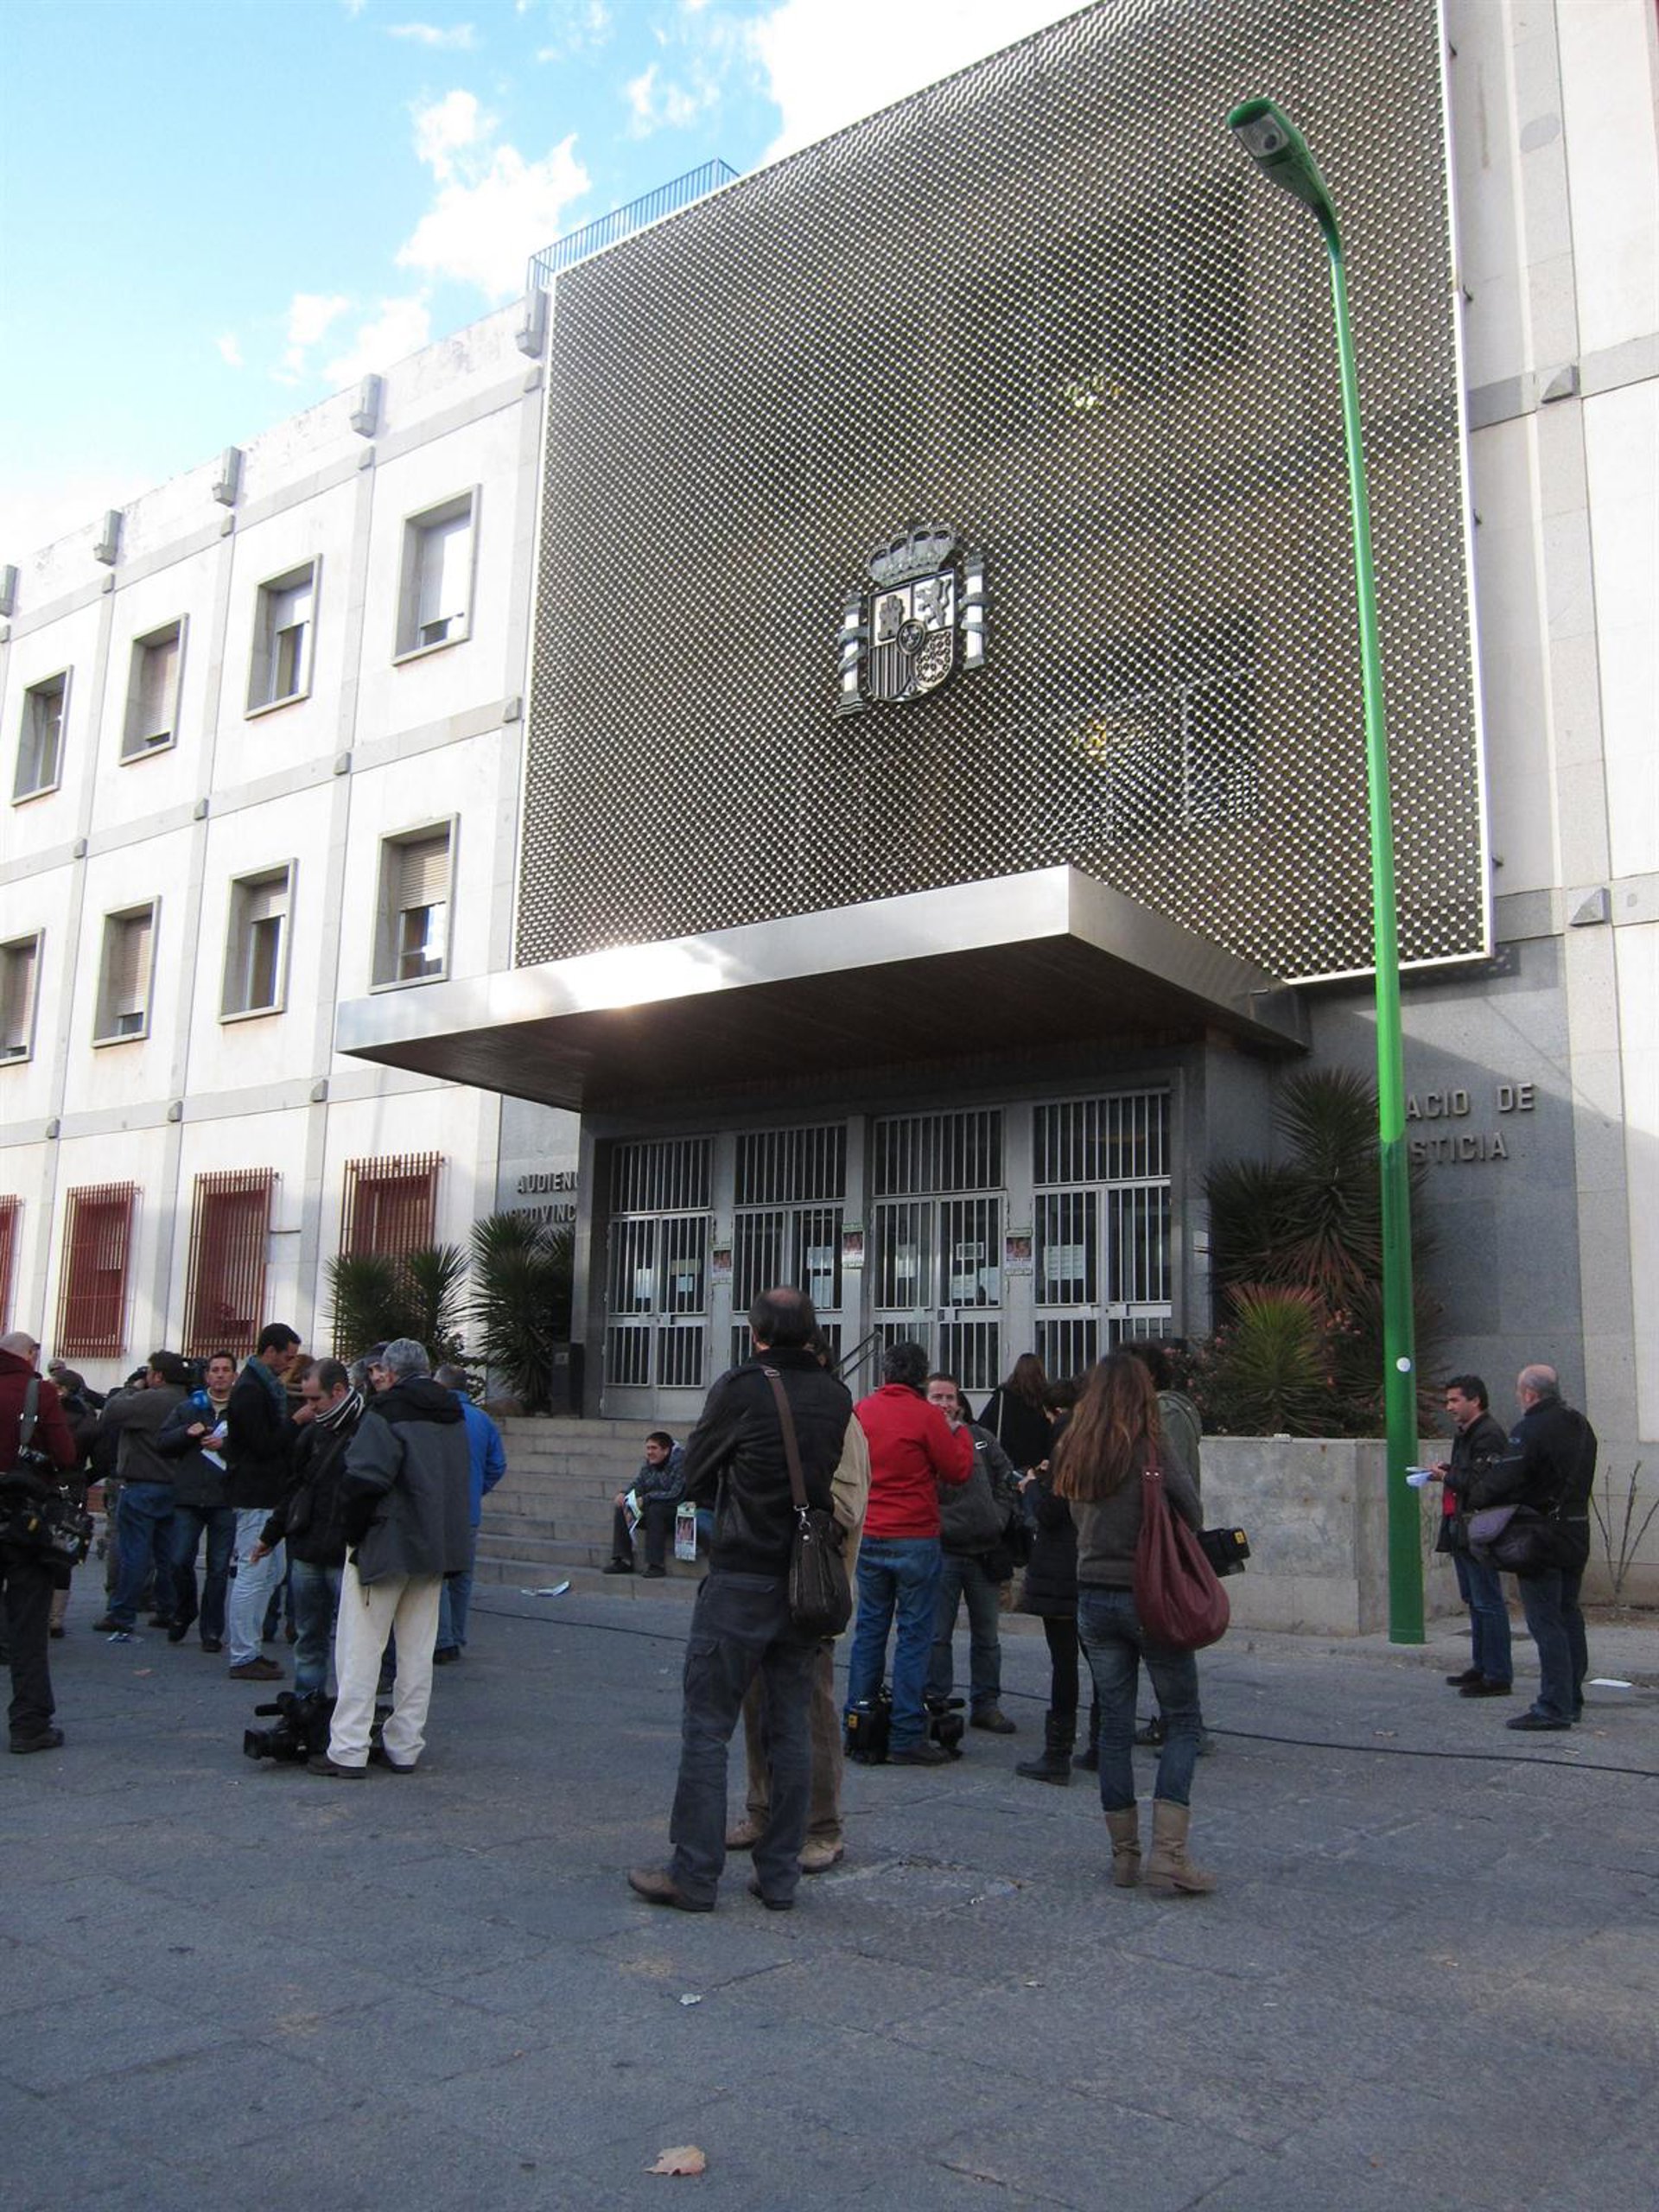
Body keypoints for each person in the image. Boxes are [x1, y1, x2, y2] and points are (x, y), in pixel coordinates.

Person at [629, 1287, 850, 1912]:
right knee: (791, 1728)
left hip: (743, 1574)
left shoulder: (741, 1387)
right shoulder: (836, 1395)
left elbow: (692, 1474)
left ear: (756, 1334)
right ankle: (779, 1875)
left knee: (707, 1727)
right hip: (803, 1583)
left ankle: (694, 1872)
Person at [1056, 1351, 1212, 1895]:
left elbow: (1071, 1514)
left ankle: (1124, 1855)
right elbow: (1192, 1510)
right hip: (1149, 1593)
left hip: (1092, 1595)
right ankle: (1170, 1853)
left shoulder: (1075, 1447)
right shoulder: (1150, 1447)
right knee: (1183, 1719)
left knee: (1114, 1726)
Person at [728, 1328, 870, 1873]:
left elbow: (848, 1506)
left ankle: (822, 1826)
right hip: (760, 1579)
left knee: (811, 1709)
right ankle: (761, 1809)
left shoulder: (842, 1420)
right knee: (756, 1702)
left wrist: (784, 1495)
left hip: (810, 1588)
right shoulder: (761, 1411)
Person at [309, 1338, 472, 1777]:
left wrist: (352, 1531)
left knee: (361, 1647)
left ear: (392, 1372)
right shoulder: (455, 1414)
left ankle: (348, 1748)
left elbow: (365, 1478)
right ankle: (405, 1745)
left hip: (386, 1542)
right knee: (417, 1652)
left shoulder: (386, 1412)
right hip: (434, 1545)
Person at [843, 1340, 975, 1766]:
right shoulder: (926, 1416)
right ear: (920, 1378)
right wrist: (960, 1433)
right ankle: (905, 1733)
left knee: (869, 1629)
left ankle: (858, 1722)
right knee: (915, 1636)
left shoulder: (862, 1411)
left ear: (884, 1373)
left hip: (872, 1531)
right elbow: (957, 1471)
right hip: (915, 1534)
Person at [1471, 1364, 1597, 1732]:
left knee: (1546, 1622)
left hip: (1540, 1536)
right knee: (1568, 1614)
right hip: (1576, 1529)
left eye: (1519, 1391)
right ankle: (1571, 1698)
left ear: (1529, 1394)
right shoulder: (1581, 1426)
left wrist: (1473, 1492)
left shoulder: (1530, 1429)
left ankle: (1553, 1706)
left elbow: (1504, 1480)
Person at [251, 1359, 362, 1697]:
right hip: (309, 1547)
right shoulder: (313, 1434)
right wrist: (271, 1534)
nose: (310, 1408)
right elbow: (296, 1488)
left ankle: (349, 1709)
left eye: (316, 1399)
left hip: (345, 1550)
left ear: (338, 1391)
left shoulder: (366, 1430)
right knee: (309, 1636)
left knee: (353, 1640)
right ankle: (307, 1704)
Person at [924, 1373, 1022, 1735]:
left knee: (987, 1637)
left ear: (960, 1403)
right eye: (937, 1397)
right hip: (943, 1552)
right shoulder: (922, 1443)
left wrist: (999, 1516)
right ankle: (936, 1702)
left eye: (950, 1397)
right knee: (938, 1636)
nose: (945, 1404)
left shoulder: (982, 1438)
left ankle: (986, 1704)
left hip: (984, 1552)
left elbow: (1008, 1478)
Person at [0, 1331, 79, 1752]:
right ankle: (29, 1724)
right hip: (23, 1519)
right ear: (30, 1355)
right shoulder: (39, 1392)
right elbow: (65, 1455)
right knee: (29, 1624)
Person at [91, 1351, 190, 1637]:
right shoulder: (187, 1402)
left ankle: (122, 1613)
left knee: (134, 1552)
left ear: (158, 1375)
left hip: (143, 1483)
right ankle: (168, 1608)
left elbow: (110, 1413)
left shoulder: (148, 1400)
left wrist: (131, 1387)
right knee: (167, 1554)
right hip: (176, 1486)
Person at [223, 1324, 301, 1682]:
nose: (290, 1363)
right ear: (270, 1351)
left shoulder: (259, 1386)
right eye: (288, 1355)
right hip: (256, 1493)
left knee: (271, 1572)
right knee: (254, 1573)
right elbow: (263, 1444)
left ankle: (249, 1647)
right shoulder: (252, 1391)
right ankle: (243, 1653)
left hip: (266, 1493)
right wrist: (295, 1423)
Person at [1014, 1387, 1079, 1786]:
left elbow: (1050, 1512)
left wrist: (1033, 1486)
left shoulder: (1067, 1451)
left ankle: (1058, 1753)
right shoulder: (1105, 1447)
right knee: (1100, 1662)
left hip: (1060, 1569)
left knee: (1064, 1663)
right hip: (1092, 1566)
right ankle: (1101, 1744)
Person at [1433, 1374, 1512, 1699]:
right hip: (1461, 1525)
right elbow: (1467, 1475)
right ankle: (1482, 1666)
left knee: (1487, 1601)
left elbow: (1482, 1482)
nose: (1449, 1407)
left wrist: (1447, 1475)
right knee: (1475, 1601)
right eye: (1448, 1401)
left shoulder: (1488, 1434)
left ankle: (1497, 1673)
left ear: (1475, 1400)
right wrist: (1448, 1472)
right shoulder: (1467, 1434)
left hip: (1479, 1527)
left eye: (1455, 1400)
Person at [156, 1350, 238, 1652]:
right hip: (188, 1497)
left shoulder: (241, 1410)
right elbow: (162, 1443)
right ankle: (185, 1608)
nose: (220, 1375)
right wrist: (186, 1433)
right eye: (215, 1370)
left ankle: (212, 1631)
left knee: (218, 1568)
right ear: (207, 1376)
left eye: (225, 1370)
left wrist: (225, 1445)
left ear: (234, 1376)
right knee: (179, 1561)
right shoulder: (189, 1408)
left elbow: (254, 1449)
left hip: (225, 1498)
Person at [432, 1362, 506, 1661]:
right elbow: (497, 1465)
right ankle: (456, 1634)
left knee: (437, 1575)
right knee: (461, 1576)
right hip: (468, 1509)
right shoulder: (482, 1419)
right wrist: (478, 1489)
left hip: (438, 1507)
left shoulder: (435, 1416)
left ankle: (442, 1639)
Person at [604, 1430, 685, 1580]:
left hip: (677, 1509)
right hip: (653, 1505)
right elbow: (639, 1483)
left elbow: (676, 1494)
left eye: (654, 1448)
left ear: (666, 1450)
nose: (649, 1452)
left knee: (655, 1510)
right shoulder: (650, 1462)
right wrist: (625, 1494)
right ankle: (623, 1560)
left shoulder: (681, 1463)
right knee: (623, 1507)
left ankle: (656, 1564)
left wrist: (646, 1499)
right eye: (648, 1448)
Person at [976, 1353, 1052, 1478]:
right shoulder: (1046, 1401)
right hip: (1039, 1467)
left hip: (1007, 1464)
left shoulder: (1003, 1398)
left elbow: (983, 1429)